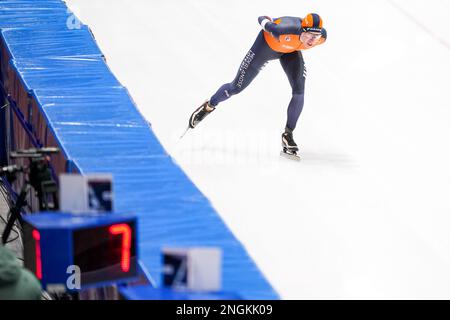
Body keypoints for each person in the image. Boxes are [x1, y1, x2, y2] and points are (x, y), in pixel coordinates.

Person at [188, 13, 327, 157]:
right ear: (302, 30)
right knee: (236, 87)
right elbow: (261, 19)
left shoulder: (321, 38)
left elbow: (314, 37)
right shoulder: (283, 30)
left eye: (315, 36)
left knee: (299, 91)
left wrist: (310, 38)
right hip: (265, 48)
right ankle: (209, 105)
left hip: (289, 52)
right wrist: (267, 20)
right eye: (309, 35)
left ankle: (288, 135)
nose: (312, 40)